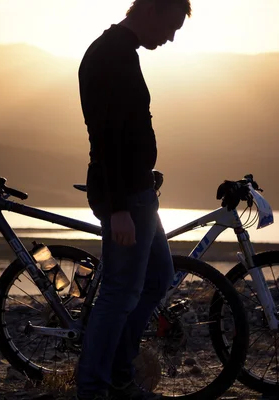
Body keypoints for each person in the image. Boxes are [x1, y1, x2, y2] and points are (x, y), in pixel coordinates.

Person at [76, 1, 191, 399]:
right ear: (153, 10)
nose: (172, 37)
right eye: (172, 26)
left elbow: (126, 131)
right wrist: (119, 207)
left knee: (159, 278)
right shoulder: (113, 56)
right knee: (120, 291)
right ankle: (96, 386)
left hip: (138, 192)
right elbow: (105, 138)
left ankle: (120, 373)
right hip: (126, 196)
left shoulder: (120, 52)